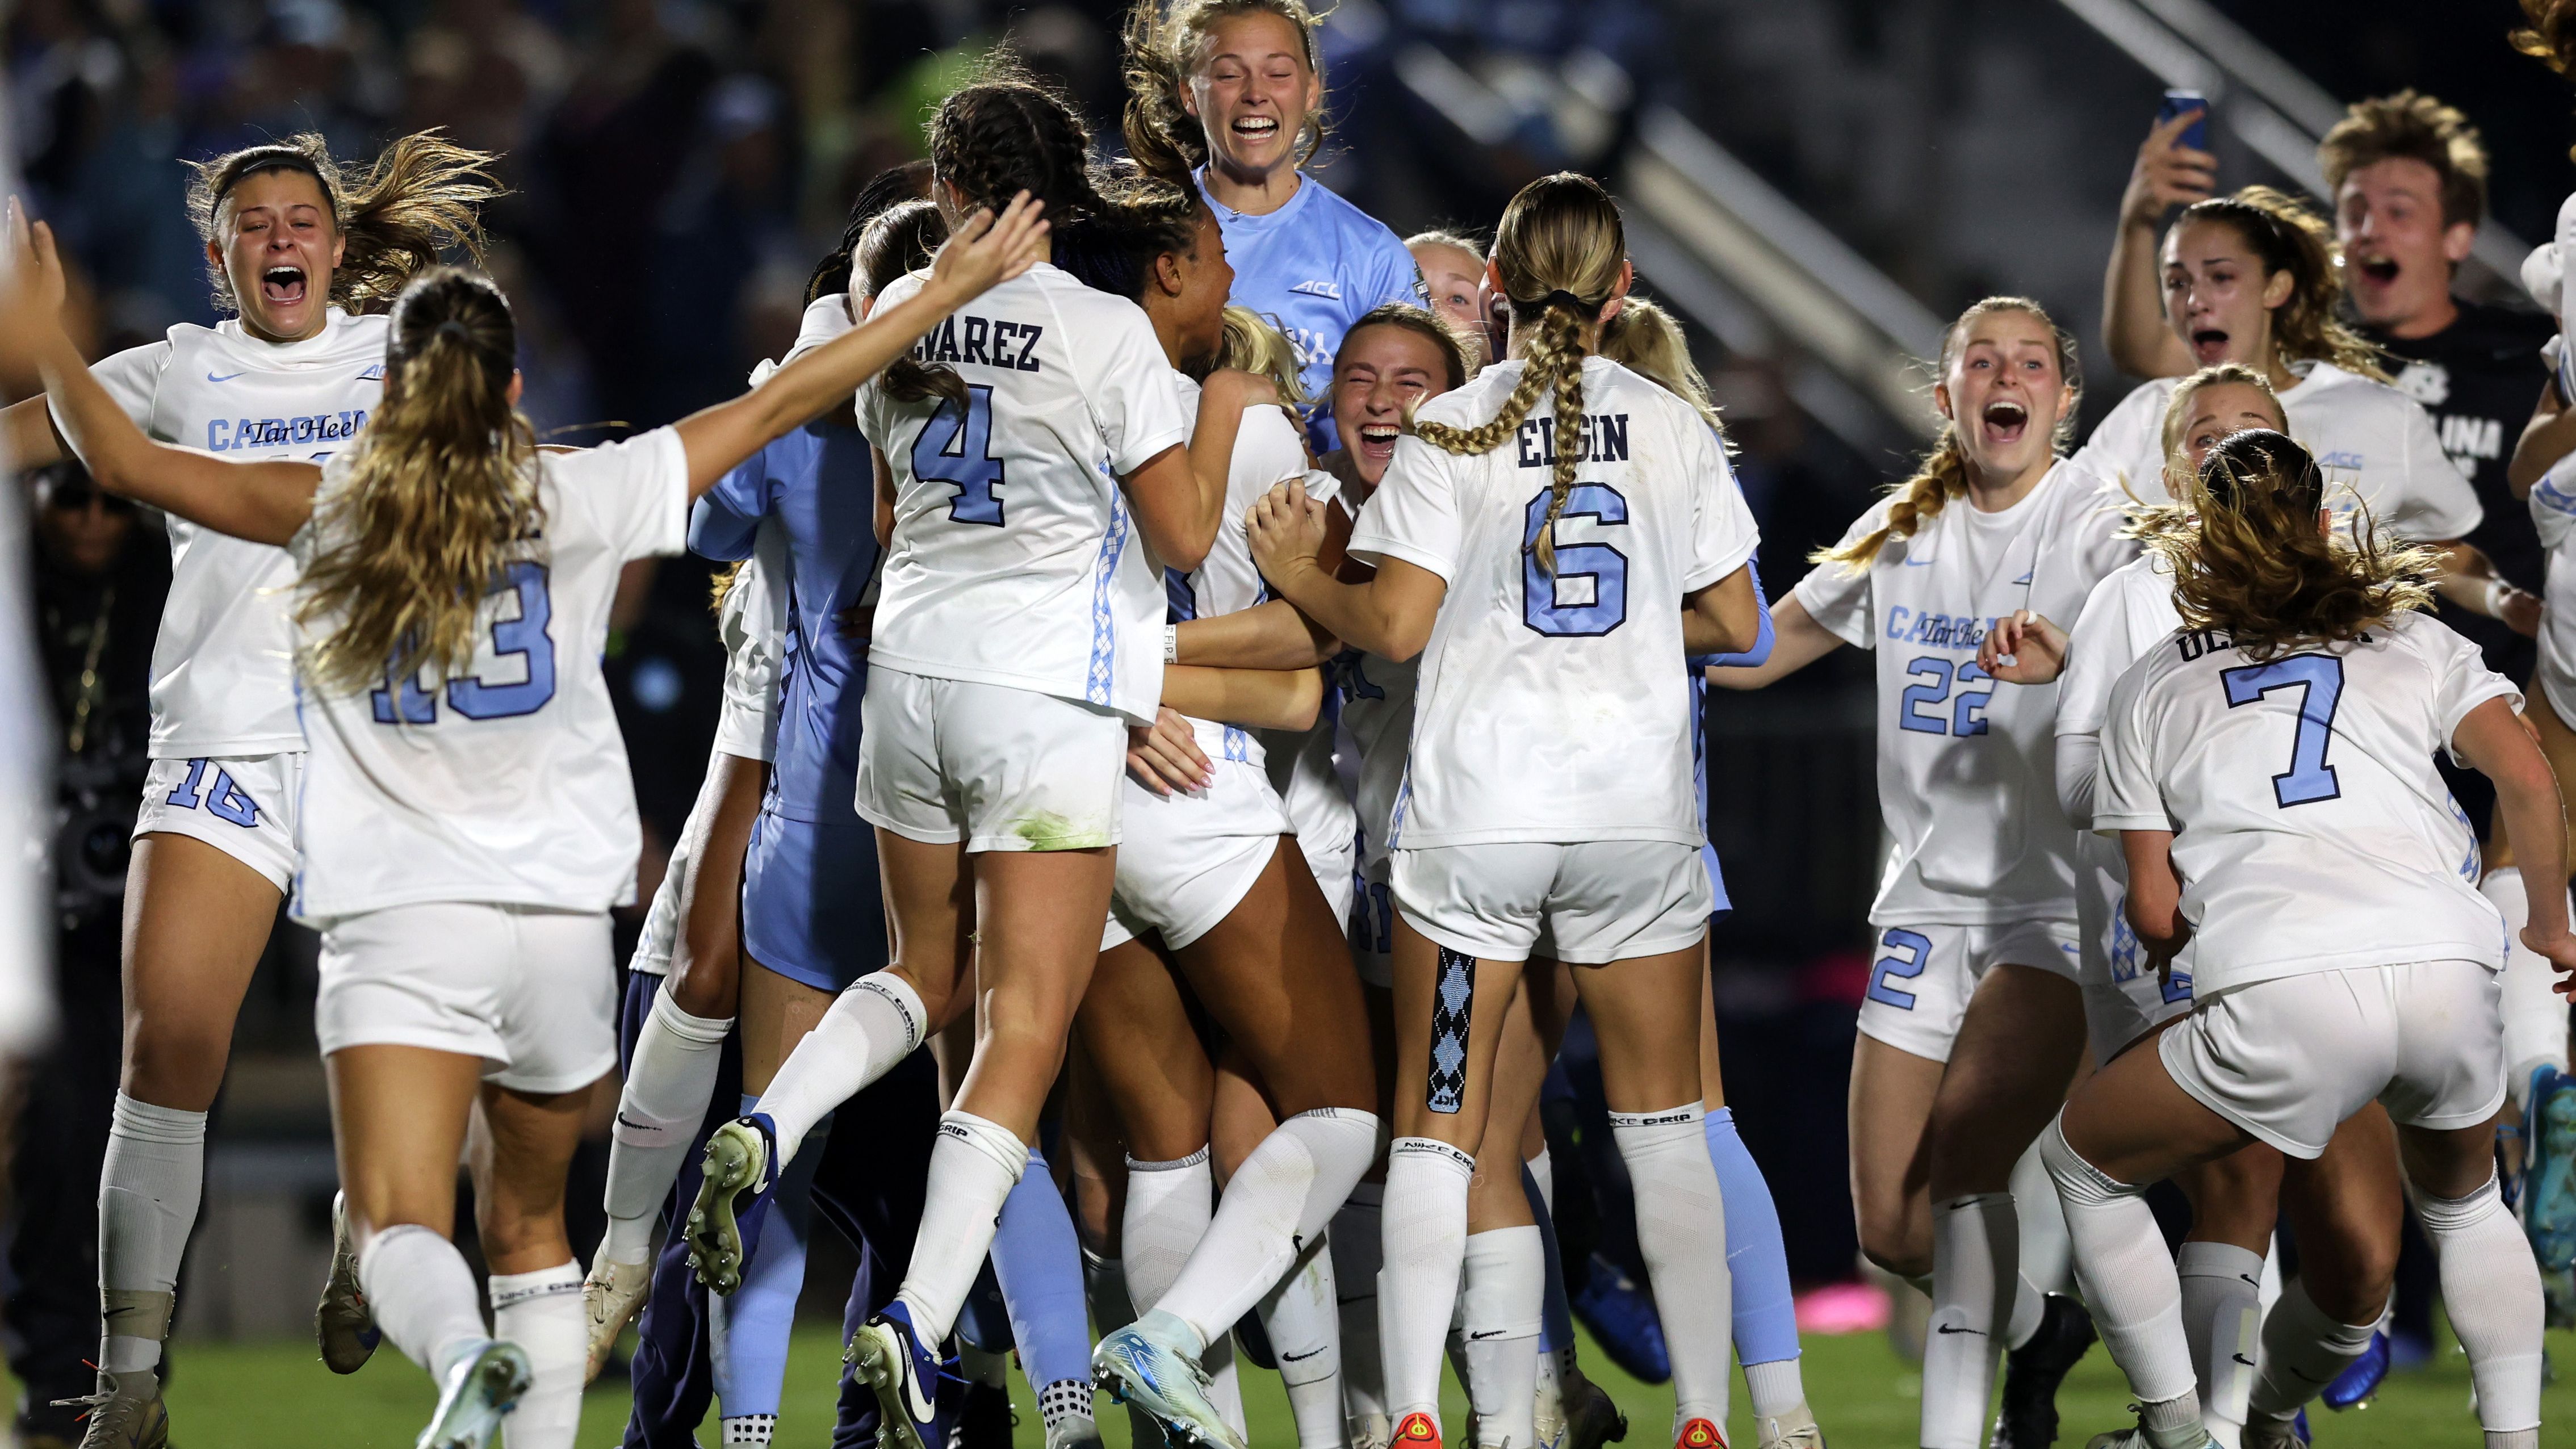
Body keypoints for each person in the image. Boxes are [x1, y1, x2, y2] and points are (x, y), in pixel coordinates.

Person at [8, 186, 1050, 1449]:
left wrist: (47, 333)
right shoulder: (582, 495)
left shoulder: (335, 501)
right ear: (513, 395)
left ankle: (460, 1364)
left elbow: (119, 464)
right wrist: (937, 296)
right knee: (534, 1235)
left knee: (399, 1218)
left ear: (389, 394)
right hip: (561, 926)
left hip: (402, 914)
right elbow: (780, 401)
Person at [676, 66, 1253, 1449]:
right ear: (1054, 198)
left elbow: (881, 514)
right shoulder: (1107, 332)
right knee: (1022, 1031)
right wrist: (1219, 412)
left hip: (911, 679)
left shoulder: (896, 312)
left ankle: (767, 1118)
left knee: (919, 979)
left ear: (946, 192)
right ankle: (916, 1323)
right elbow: (1181, 541)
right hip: (1040, 691)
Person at [1246, 170, 1765, 1449]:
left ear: (1496, 285)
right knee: (1661, 1128)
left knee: (1438, 1128)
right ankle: (1707, 1416)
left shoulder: (1456, 427)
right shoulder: (1673, 428)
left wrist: (1299, 573)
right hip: (1635, 827)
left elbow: (1396, 628)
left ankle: (1417, 1413)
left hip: (1478, 831)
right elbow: (1739, 624)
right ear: (1622, 287)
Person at [0, 130, 503, 1444]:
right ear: (219, 257)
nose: (281, 236)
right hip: (224, 750)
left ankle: (366, 1227)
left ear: (336, 247)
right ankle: (125, 1386)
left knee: (443, 1053)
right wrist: (45, 344)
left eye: (302, 218)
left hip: (382, 748)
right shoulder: (174, 369)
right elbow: (37, 442)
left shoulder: (411, 357)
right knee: (166, 1052)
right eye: (254, 222)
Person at [2046, 428, 2560, 1449]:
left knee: (2081, 1162)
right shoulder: (2410, 636)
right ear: (2325, 524)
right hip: (2451, 965)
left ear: (2201, 543)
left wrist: (2188, 938)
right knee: (2465, 1208)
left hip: (2285, 981)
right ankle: (2515, 1439)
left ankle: (2178, 1428)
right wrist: (2548, 919)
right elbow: (2529, 773)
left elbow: (2151, 910)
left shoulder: (2152, 683)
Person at [1711, 295, 2136, 1449]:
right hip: (1918, 910)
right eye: (1981, 361)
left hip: (2046, 909)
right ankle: (2049, 1326)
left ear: (2063, 396)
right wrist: (1612, 641)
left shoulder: (2102, 522)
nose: (2008, 377)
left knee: (1960, 1190)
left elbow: (2167, 675)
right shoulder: (1904, 522)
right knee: (1894, 1232)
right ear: (1947, 394)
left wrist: (2076, 664)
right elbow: (1763, 648)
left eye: (2032, 362)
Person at [1980, 366, 2423, 1446]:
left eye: (2251, 434)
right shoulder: (2135, 594)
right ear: (2179, 471)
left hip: (2331, 933)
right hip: (2181, 927)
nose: (2226, 452)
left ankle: (2248, 1411)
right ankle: (2206, 1426)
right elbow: (2083, 784)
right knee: (2234, 1193)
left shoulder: (2355, 609)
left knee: (2359, 1248)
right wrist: (2185, 791)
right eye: (2204, 436)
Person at [1046, 179, 1380, 1449]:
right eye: (1210, 258)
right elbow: (1307, 642)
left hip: (1059, 794)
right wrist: (1156, 674)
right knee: (1340, 1115)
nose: (1232, 278)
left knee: (1164, 1149)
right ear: (1170, 277)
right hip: (1199, 803)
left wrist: (1117, 680)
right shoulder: (1229, 415)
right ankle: (1171, 1339)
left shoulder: (1030, 399)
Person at [7, 462, 166, 1447]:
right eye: (72, 497)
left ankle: (134, 1384)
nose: (94, 520)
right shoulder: (11, 584)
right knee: (54, 1143)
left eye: (113, 499)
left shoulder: (174, 580)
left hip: (152, 907)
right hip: (29, 910)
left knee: (148, 1153)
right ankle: (51, 1385)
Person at [1122, 0, 1425, 449]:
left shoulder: (1373, 258)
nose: (1255, 93)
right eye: (1229, 74)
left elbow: (1414, 430)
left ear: (1310, 91)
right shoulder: (1136, 237)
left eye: (1278, 73)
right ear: (1190, 94)